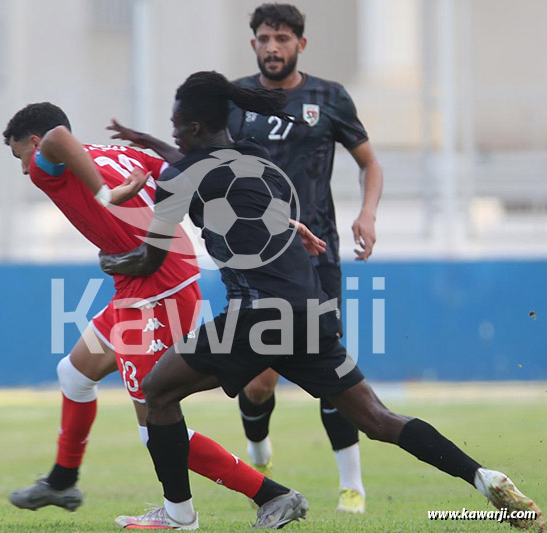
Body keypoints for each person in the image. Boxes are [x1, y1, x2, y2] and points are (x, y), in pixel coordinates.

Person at [99, 71, 544, 531]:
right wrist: (150, 142)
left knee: (158, 392)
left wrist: (109, 258)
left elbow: (149, 257)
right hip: (309, 309)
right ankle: (483, 477)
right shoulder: (254, 157)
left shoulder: (178, 178)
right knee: (377, 418)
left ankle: (178, 516)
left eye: (175, 127)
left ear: (192, 128)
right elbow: (197, 165)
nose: (172, 135)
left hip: (257, 315)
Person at [1, 102, 308, 520]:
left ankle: (259, 496)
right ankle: (62, 481)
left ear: (34, 144)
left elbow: (56, 138)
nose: (24, 169)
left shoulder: (46, 162)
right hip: (144, 279)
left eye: (20, 156)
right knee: (74, 373)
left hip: (155, 288)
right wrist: (270, 217)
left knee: (155, 416)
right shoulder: (121, 155)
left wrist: (106, 195)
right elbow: (191, 170)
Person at [225, 3, 383, 513]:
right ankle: (258, 454)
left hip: (317, 259)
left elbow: (369, 163)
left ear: (301, 44)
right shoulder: (235, 100)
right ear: (254, 44)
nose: (273, 47)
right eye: (265, 38)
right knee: (257, 379)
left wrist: (367, 214)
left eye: (283, 38)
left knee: (329, 371)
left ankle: (352, 486)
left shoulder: (328, 97)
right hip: (254, 261)